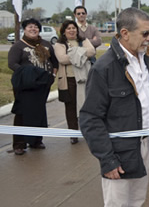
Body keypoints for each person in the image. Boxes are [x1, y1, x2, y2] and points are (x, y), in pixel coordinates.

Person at [79, 8, 149, 207]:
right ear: (125, 33)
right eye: (145, 33)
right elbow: (90, 118)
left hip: (143, 144)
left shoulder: (147, 60)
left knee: (135, 203)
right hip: (119, 152)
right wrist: (107, 159)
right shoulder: (104, 68)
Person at [8, 18, 58, 155]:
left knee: (39, 113)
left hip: (42, 86)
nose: (33, 29)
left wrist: (51, 76)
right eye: (30, 27)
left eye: (36, 27)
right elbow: (12, 64)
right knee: (22, 114)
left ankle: (36, 140)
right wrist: (29, 73)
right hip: (25, 86)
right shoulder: (18, 46)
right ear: (25, 29)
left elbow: (54, 62)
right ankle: (19, 143)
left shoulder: (46, 44)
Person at [54, 20, 95, 144]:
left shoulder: (84, 41)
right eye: (68, 28)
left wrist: (74, 53)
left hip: (85, 79)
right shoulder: (59, 44)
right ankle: (73, 133)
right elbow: (62, 59)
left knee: (86, 106)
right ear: (64, 31)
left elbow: (92, 51)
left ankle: (88, 131)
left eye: (73, 28)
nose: (72, 30)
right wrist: (81, 53)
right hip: (69, 79)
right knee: (71, 108)